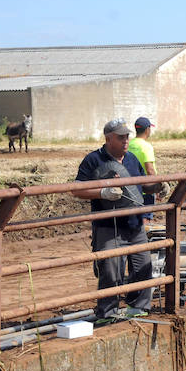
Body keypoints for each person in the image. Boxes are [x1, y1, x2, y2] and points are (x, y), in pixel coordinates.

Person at [72, 119, 164, 320]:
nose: (126, 140)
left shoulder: (131, 159)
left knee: (143, 265)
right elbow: (77, 189)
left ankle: (138, 306)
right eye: (120, 137)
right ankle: (108, 312)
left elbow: (141, 185)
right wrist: (102, 192)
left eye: (127, 136)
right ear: (108, 139)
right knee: (111, 270)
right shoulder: (94, 160)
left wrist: (155, 187)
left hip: (135, 223)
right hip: (108, 225)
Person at [129, 116, 169, 223]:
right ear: (147, 129)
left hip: (130, 189)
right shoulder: (146, 147)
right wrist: (158, 186)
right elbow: (150, 170)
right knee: (144, 219)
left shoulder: (128, 145)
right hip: (145, 190)